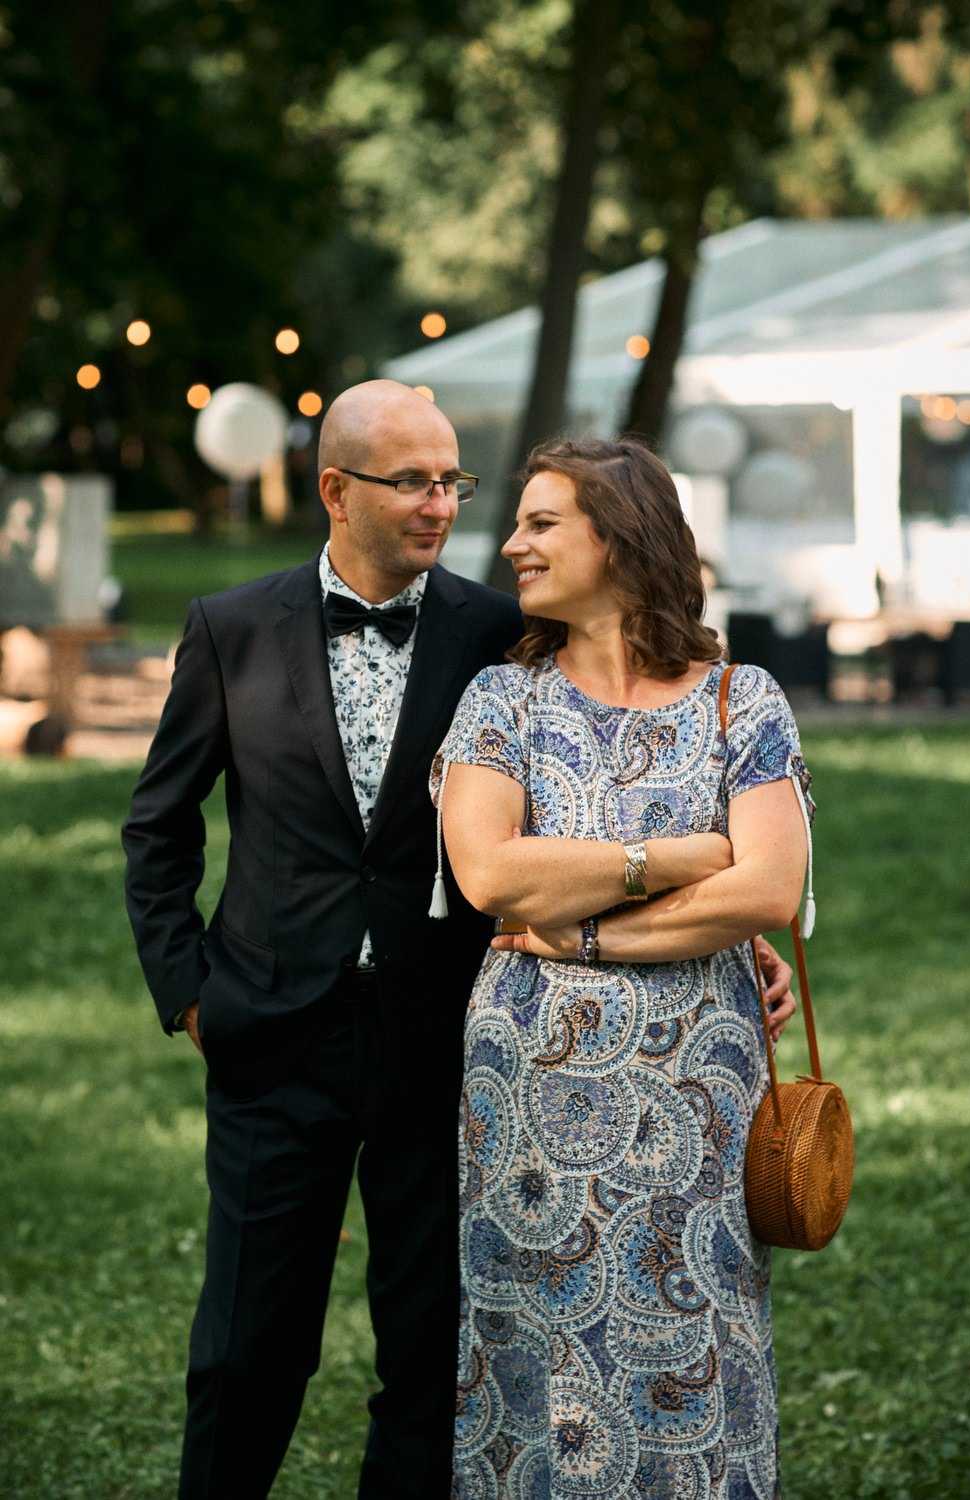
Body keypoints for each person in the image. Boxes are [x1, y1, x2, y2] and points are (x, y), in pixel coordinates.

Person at [122, 382, 794, 1500]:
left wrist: (729, 939)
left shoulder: (499, 636)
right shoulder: (230, 628)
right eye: (413, 483)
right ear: (337, 490)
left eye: (451, 481)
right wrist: (190, 994)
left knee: (432, 1343)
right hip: (271, 1036)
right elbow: (159, 826)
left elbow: (600, 767)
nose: (441, 504)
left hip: (442, 1038)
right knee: (247, 1345)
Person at [433, 436, 814, 1499]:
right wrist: (672, 860)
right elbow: (489, 873)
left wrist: (588, 931)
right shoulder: (500, 702)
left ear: (620, 536)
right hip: (532, 1106)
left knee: (702, 1339)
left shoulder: (741, 700)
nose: (512, 546)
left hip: (700, 1103)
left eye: (541, 523)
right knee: (535, 1353)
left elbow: (767, 891)